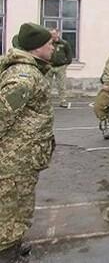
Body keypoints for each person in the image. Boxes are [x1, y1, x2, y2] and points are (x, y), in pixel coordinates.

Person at [0, 22, 55, 262]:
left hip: (24, 153)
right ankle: (6, 252)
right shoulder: (24, 76)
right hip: (15, 156)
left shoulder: (32, 70)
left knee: (20, 201)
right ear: (36, 48)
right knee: (11, 204)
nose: (53, 48)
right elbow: (3, 114)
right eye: (49, 44)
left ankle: (13, 243)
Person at [46, 28, 72, 108]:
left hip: (61, 67)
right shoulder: (48, 43)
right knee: (47, 85)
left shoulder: (64, 43)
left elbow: (69, 54)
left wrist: (66, 63)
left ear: (58, 34)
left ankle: (63, 101)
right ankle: (46, 102)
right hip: (49, 66)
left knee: (61, 85)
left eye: (54, 34)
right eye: (51, 34)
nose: (52, 36)